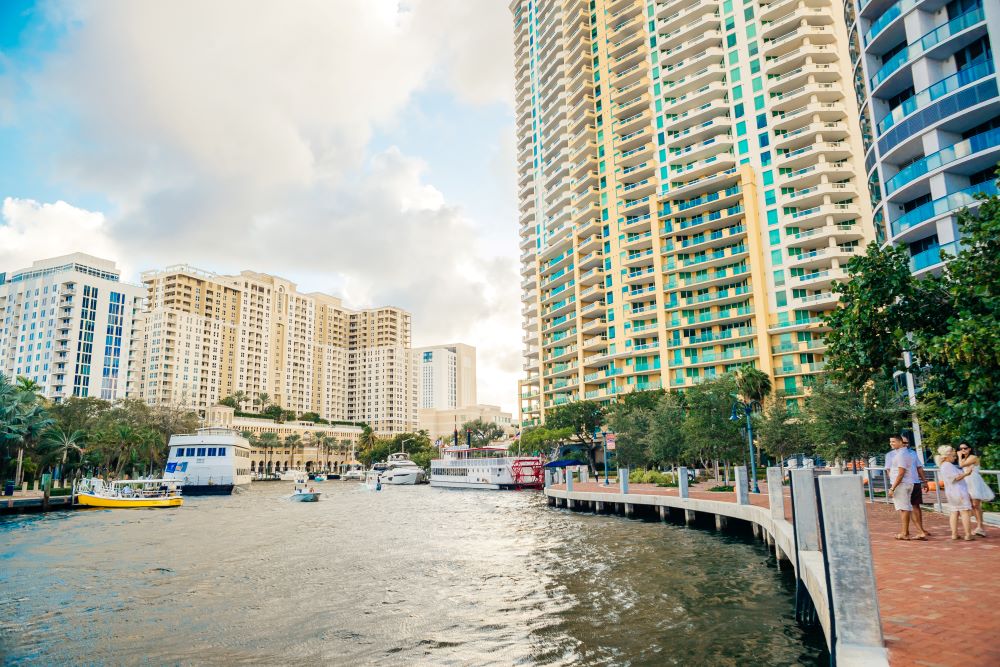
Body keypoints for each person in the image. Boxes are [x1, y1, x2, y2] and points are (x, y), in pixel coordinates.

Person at [935, 446, 975, 541]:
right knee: (965, 512)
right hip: (958, 491)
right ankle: (968, 534)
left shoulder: (944, 465)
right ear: (948, 455)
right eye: (953, 454)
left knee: (954, 512)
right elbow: (955, 478)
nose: (955, 456)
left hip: (951, 492)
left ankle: (954, 534)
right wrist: (967, 473)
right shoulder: (947, 465)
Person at [887, 434, 922, 540]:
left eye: (893, 441)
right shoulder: (905, 453)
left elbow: (901, 473)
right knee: (908, 508)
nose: (891, 444)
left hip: (902, 485)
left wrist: (893, 487)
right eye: (890, 441)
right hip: (906, 483)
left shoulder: (901, 455)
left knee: (904, 509)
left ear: (900, 442)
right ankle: (919, 532)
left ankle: (905, 533)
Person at [958, 443, 994, 537]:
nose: (963, 450)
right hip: (966, 482)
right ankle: (977, 527)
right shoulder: (964, 458)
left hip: (974, 482)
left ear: (969, 449)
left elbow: (961, 465)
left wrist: (959, 456)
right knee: (971, 505)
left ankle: (980, 527)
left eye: (965, 448)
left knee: (976, 505)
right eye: (961, 449)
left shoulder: (973, 457)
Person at [900, 433, 930, 538]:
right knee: (904, 508)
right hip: (902, 484)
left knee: (916, 506)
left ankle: (920, 529)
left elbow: (919, 468)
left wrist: (925, 481)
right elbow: (890, 471)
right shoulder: (892, 455)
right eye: (903, 443)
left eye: (906, 443)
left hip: (915, 482)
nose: (905, 445)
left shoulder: (913, 453)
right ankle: (905, 531)